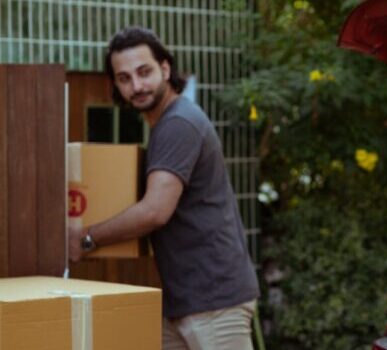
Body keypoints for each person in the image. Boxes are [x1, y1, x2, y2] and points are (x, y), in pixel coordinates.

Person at [67, 26, 259, 350]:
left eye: (144, 72)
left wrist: (86, 238)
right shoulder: (167, 123)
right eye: (124, 78)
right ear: (115, 84)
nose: (137, 86)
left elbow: (155, 211)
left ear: (165, 68)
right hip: (187, 302)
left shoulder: (177, 124)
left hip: (214, 304)